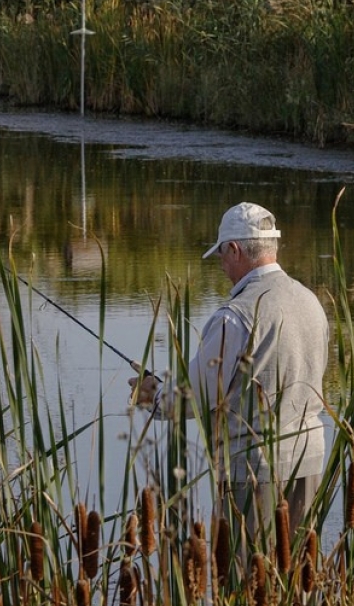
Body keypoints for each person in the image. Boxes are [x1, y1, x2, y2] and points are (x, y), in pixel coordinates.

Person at [131, 201, 330, 537]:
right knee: (295, 571)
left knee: (245, 574)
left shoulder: (235, 316)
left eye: (222, 255)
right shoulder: (310, 300)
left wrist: (155, 395)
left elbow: (197, 394)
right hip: (309, 458)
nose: (221, 265)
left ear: (235, 249)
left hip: (252, 469)